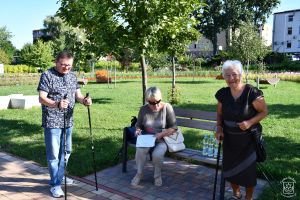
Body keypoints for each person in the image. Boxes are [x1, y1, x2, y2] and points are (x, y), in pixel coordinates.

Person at [37, 51, 92, 198]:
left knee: (67, 151)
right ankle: (55, 185)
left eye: (69, 65)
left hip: (68, 121)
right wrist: (56, 104)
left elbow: (78, 95)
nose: (66, 68)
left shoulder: (72, 76)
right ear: (56, 62)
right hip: (52, 121)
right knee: (54, 155)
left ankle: (60, 176)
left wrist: (84, 101)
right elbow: (41, 98)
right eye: (63, 65)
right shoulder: (47, 75)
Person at [215, 60, 268, 200]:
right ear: (223, 77)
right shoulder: (223, 94)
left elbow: (264, 112)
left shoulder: (252, 92)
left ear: (241, 74)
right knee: (230, 170)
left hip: (247, 139)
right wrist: (219, 128)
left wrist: (250, 122)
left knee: (248, 173)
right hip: (229, 139)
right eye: (227, 75)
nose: (231, 78)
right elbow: (219, 114)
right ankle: (236, 194)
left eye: (234, 74)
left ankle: (248, 198)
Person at [131, 87, 177, 187]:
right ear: (147, 100)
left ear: (160, 98)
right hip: (147, 139)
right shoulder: (143, 109)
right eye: (152, 103)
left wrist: (161, 135)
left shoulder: (166, 107)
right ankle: (139, 174)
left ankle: (157, 176)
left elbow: (173, 128)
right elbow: (138, 125)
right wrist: (138, 131)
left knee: (157, 155)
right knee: (140, 151)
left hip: (162, 140)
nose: (155, 105)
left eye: (157, 101)